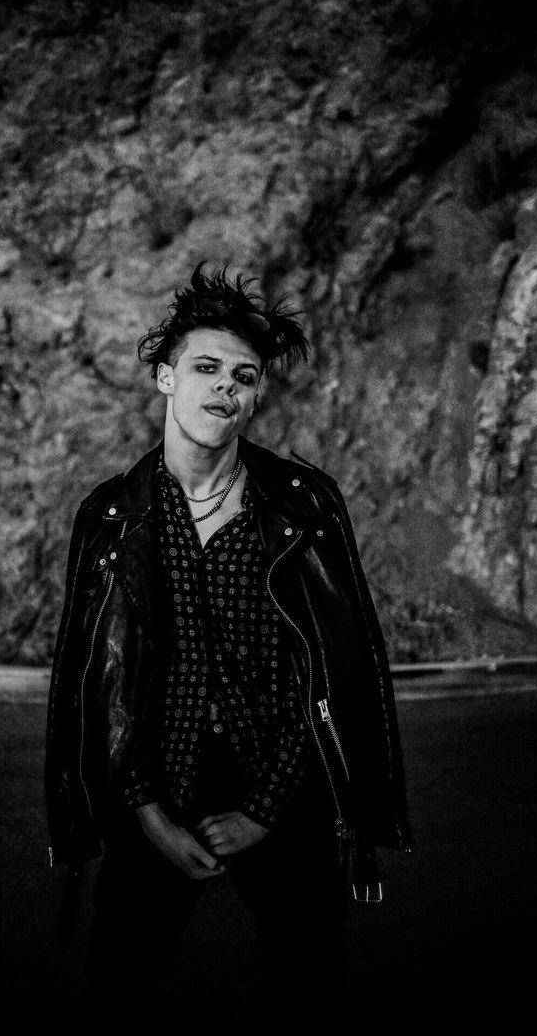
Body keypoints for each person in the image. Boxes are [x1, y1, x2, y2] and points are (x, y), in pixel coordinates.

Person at [44, 262, 411, 1020]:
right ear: (164, 379)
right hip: (154, 788)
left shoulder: (303, 505)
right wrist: (146, 814)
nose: (225, 388)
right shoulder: (113, 516)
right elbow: (94, 680)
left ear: (255, 397)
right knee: (116, 988)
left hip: (283, 789)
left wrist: (264, 811)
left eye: (243, 377)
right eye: (205, 368)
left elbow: (338, 667)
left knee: (311, 986)